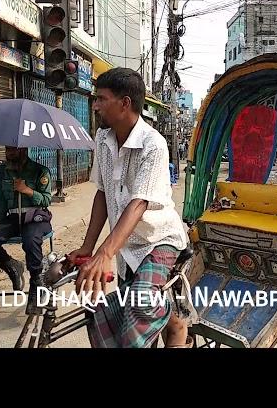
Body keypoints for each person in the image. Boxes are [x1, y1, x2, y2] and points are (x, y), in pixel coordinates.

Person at [67, 67, 191, 348]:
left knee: (139, 305)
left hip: (158, 240)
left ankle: (175, 318)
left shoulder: (153, 144)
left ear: (125, 103)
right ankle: (171, 316)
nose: (95, 105)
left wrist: (106, 252)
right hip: (126, 244)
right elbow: (101, 192)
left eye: (101, 99)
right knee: (101, 312)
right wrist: (88, 248)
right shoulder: (102, 138)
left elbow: (138, 203)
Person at [0, 147, 53, 314]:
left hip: (35, 217)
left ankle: (36, 283)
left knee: (31, 240)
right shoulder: (2, 172)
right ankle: (11, 265)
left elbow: (47, 199)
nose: (9, 153)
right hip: (13, 218)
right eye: (7, 150)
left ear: (23, 150)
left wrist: (27, 190)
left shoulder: (40, 171)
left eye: (13, 150)